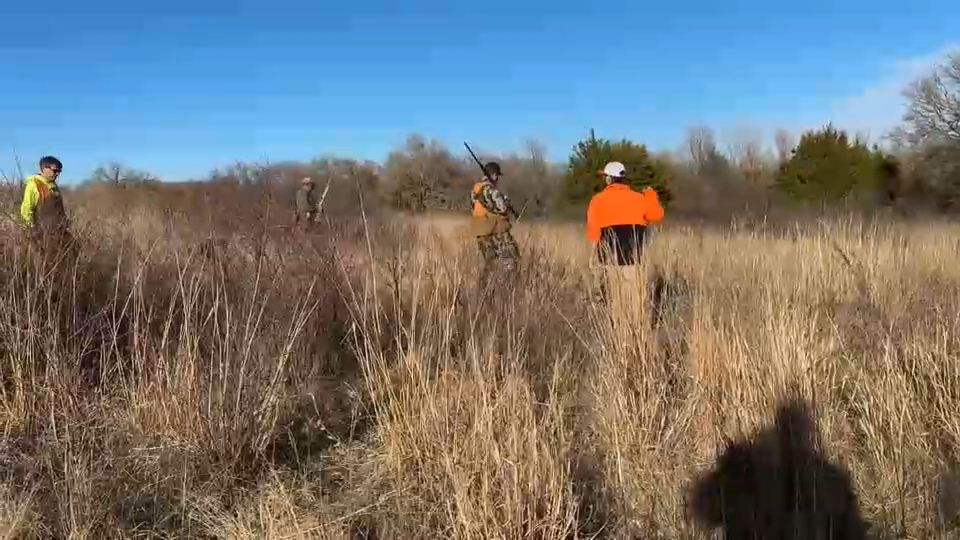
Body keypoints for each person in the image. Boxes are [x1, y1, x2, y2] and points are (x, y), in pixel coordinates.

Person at [586, 161, 664, 266]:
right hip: (635, 259)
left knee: (611, 282)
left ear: (609, 179)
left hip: (608, 260)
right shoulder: (640, 198)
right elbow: (656, 216)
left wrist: (592, 258)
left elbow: (593, 232)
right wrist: (651, 197)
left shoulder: (597, 200)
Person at [470, 161, 520, 282]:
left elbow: (474, 207)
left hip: (481, 232)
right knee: (511, 259)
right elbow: (502, 208)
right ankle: (508, 289)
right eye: (497, 175)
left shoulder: (475, 190)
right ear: (494, 175)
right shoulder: (490, 189)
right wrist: (505, 201)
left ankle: (485, 291)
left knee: (490, 264)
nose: (497, 178)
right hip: (496, 231)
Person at [21, 155, 73, 256]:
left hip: (60, 233)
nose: (57, 174)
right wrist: (32, 230)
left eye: (59, 171)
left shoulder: (53, 186)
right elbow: (26, 209)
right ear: (44, 168)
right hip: (44, 235)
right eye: (55, 170)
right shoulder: (34, 185)